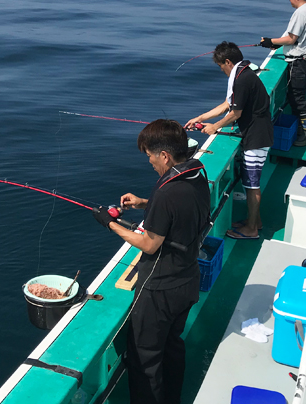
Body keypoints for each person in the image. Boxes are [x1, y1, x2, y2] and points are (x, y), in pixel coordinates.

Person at [92, 119, 210, 404]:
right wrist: (146, 203)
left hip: (160, 290)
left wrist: (110, 224)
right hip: (187, 280)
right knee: (171, 347)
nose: (150, 163)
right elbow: (177, 210)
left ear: (165, 156)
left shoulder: (167, 192)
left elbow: (149, 242)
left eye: (151, 157)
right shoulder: (196, 173)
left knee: (145, 359)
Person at [185, 41, 273, 240]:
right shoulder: (244, 73)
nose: (221, 70)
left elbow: (235, 113)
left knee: (252, 185)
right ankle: (255, 221)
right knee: (250, 183)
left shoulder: (241, 79)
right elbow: (227, 104)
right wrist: (202, 118)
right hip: (256, 134)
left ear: (227, 61)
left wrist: (214, 127)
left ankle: (251, 230)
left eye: (221, 66)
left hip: (257, 138)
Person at [260, 0, 306, 146]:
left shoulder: (300, 13)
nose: (290, 0)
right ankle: (303, 130)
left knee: (298, 100)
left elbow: (292, 38)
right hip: (304, 60)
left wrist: (270, 41)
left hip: (298, 63)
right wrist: (277, 43)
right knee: (296, 98)